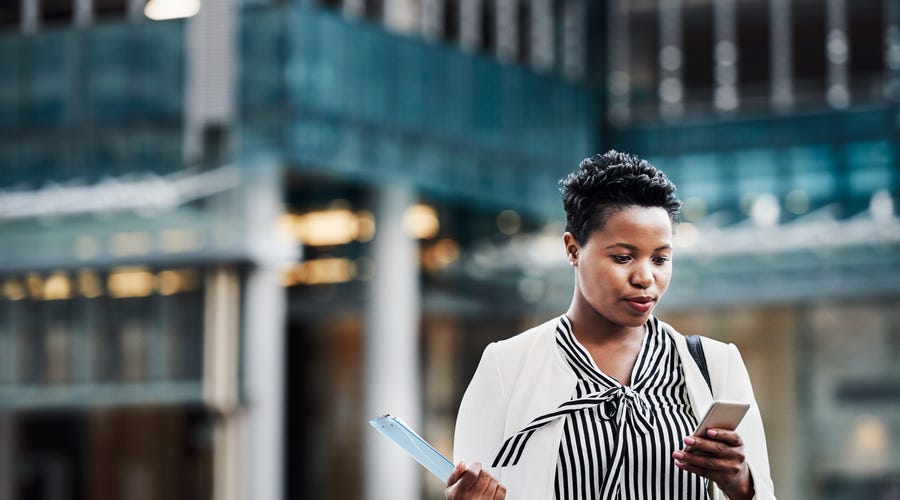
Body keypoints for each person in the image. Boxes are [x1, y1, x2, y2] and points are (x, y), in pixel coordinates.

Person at [446, 151, 776, 500]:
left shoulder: (716, 366)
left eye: (660, 258)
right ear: (573, 249)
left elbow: (763, 493)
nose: (645, 277)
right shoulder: (506, 367)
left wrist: (741, 483)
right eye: (623, 257)